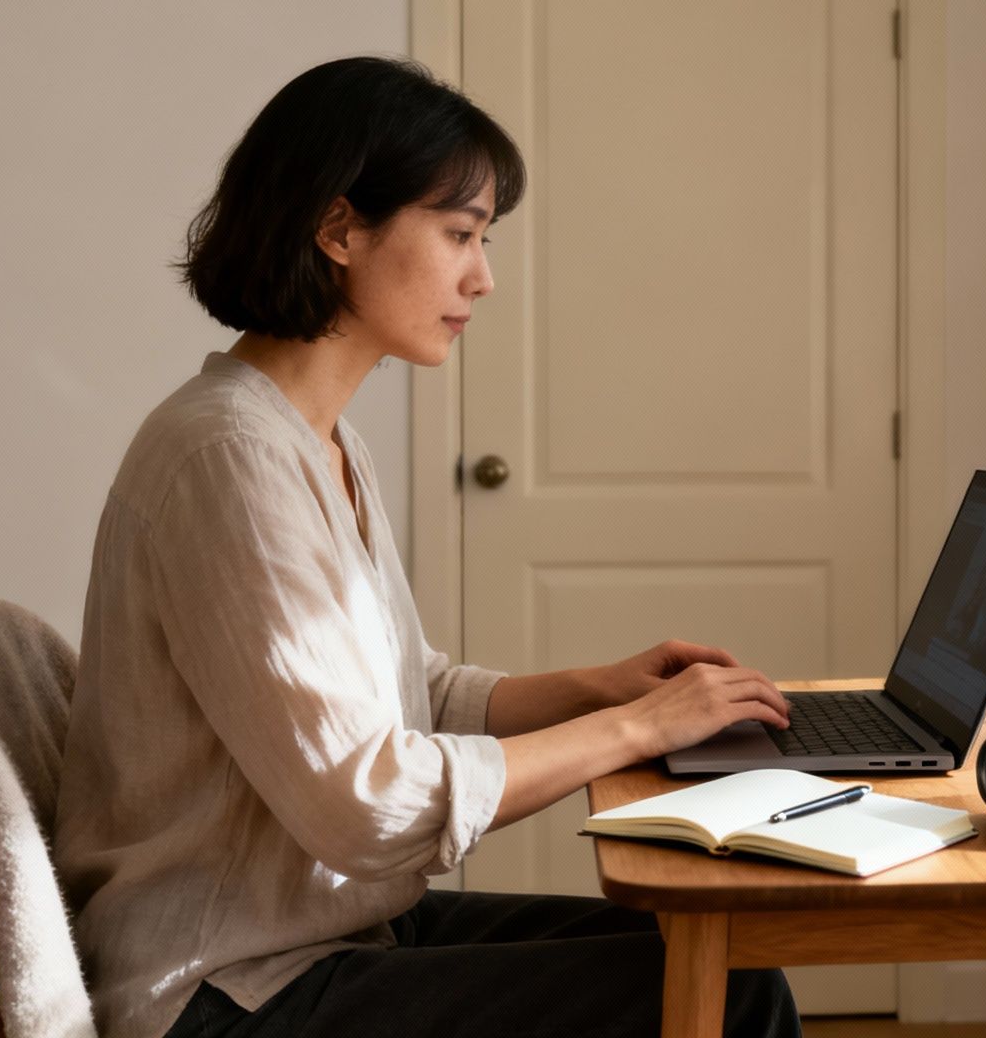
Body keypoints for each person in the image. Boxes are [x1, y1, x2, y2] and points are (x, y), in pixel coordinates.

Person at [53, 56, 801, 1038]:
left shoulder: (313, 441)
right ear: (337, 229)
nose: (481, 278)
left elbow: (411, 695)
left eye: (482, 239)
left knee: (715, 958)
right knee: (725, 995)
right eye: (458, 235)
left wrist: (605, 687)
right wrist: (639, 731)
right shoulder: (229, 458)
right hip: (221, 990)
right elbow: (364, 806)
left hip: (325, 939)